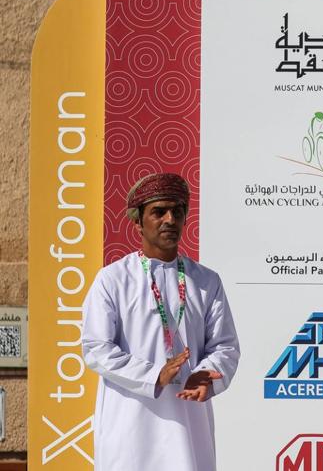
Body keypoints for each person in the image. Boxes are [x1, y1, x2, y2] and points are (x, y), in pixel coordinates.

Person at [81, 172, 240, 471]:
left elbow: (225, 346)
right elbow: (96, 347)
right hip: (130, 425)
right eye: (159, 212)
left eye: (177, 211)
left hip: (188, 425)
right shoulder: (113, 279)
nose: (170, 219)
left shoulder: (206, 281)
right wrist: (155, 374)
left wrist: (207, 373)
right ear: (138, 221)